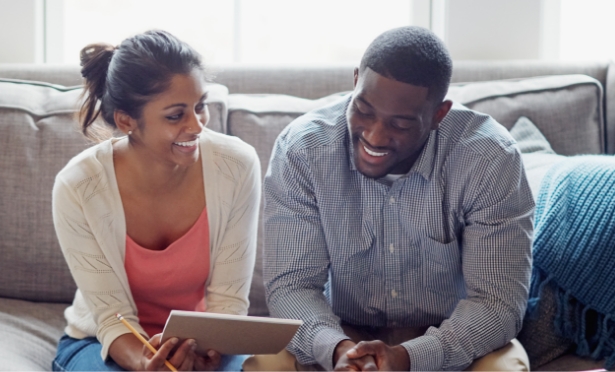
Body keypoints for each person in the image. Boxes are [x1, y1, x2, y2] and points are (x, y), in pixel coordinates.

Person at [249, 26, 534, 371]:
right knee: (266, 363)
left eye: (400, 124)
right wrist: (340, 350)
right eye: (364, 111)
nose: (374, 136)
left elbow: (497, 304)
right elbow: (291, 286)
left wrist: (410, 357)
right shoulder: (304, 150)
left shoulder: (489, 158)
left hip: (449, 338)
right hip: (341, 333)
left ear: (438, 115)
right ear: (355, 81)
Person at [51, 30, 261, 371]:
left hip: (201, 341)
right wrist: (148, 363)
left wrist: (210, 354)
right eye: (176, 115)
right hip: (105, 342)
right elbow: (111, 316)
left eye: (200, 106)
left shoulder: (236, 165)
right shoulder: (78, 187)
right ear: (126, 121)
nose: (197, 126)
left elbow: (228, 302)